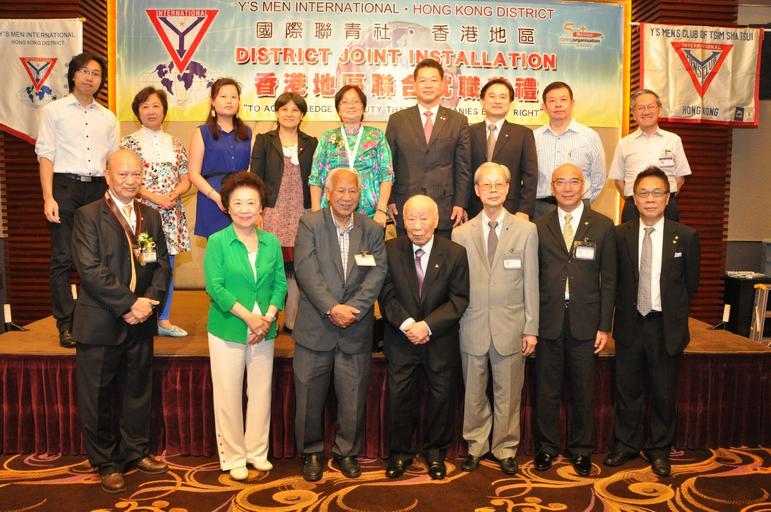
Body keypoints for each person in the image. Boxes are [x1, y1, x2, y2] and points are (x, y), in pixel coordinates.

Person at [71, 149, 170, 493]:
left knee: (137, 391)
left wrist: (147, 304)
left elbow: (161, 266)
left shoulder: (150, 216)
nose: (130, 181)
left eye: (136, 174)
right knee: (96, 397)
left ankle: (136, 451)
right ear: (108, 176)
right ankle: (106, 462)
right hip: (101, 321)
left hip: (141, 320)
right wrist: (129, 303)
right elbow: (90, 269)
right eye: (123, 174)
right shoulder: (88, 215)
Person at [604, 166, 700, 477]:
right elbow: (613, 281)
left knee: (664, 391)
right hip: (630, 323)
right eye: (643, 193)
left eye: (657, 192)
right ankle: (626, 444)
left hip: (665, 327)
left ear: (668, 198)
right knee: (627, 390)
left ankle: (659, 449)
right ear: (633, 199)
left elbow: (691, 284)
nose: (649, 198)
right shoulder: (619, 235)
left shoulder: (685, 236)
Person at [292, 168, 386, 482]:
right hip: (316, 327)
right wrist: (332, 308)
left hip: (355, 329)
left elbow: (377, 274)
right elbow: (306, 271)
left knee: (353, 398)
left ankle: (347, 452)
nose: (347, 197)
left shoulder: (371, 229)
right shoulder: (310, 224)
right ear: (329, 194)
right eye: (341, 191)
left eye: (352, 191)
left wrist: (353, 310)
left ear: (360, 194)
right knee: (309, 397)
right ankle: (311, 452)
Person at [451, 162, 538, 476]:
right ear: (476, 190)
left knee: (509, 393)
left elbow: (531, 282)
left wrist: (531, 328)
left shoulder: (527, 230)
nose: (492, 190)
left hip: (511, 326)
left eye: (498, 184)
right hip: (472, 324)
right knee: (473, 393)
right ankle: (475, 445)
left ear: (508, 188)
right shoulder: (460, 234)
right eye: (486, 185)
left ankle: (505, 448)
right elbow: (456, 285)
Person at [532, 163, 616, 476]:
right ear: (552, 188)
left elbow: (609, 279)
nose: (567, 188)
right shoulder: (539, 226)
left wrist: (605, 325)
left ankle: (581, 450)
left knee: (583, 390)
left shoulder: (603, 225)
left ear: (584, 185)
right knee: (547, 390)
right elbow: (532, 277)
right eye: (560, 182)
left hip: (586, 321)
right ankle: (546, 447)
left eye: (573, 182)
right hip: (548, 319)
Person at [204, 172, 287, 481]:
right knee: (228, 394)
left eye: (251, 203)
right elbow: (215, 287)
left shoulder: (271, 242)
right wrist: (249, 318)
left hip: (265, 327)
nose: (244, 209)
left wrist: (267, 317)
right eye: (237, 203)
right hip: (228, 327)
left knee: (261, 392)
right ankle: (234, 457)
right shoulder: (217, 241)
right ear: (227, 207)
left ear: (261, 207)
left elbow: (280, 284)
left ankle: (257, 452)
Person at [379, 195, 469, 480]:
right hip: (401, 338)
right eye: (411, 219)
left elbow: (459, 299)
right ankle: (400, 454)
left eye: (423, 218)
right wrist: (408, 325)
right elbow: (385, 295)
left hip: (439, 340)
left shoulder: (455, 253)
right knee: (400, 398)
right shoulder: (390, 250)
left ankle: (435, 454)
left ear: (436, 220)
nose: (417, 226)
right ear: (402, 221)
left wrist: (427, 326)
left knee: (441, 399)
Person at [35, 51, 119, 347]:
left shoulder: (108, 117)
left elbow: (113, 162)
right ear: (73, 75)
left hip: (98, 190)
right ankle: (66, 324)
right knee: (63, 257)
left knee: (97, 258)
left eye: (96, 73)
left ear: (101, 81)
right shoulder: (53, 111)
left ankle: (93, 320)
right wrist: (48, 197)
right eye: (84, 71)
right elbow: (45, 155)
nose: (89, 78)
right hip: (64, 188)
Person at [120, 87, 191, 337]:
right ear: (137, 112)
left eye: (156, 105)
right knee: (145, 264)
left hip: (171, 214)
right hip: (143, 214)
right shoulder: (128, 143)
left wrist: (175, 193)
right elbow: (126, 181)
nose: (150, 111)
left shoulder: (176, 143)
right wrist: (155, 198)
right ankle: (141, 316)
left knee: (167, 267)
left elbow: (186, 179)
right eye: (145, 106)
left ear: (164, 110)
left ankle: (164, 320)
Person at [251, 92, 318, 332]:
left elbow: (316, 179)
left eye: (295, 110)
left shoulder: (312, 143)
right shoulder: (264, 140)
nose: (289, 114)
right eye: (284, 109)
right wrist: (258, 211)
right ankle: (268, 319)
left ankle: (290, 321)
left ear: (302, 115)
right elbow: (255, 178)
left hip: (302, 211)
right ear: (277, 113)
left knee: (297, 269)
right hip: (272, 213)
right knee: (270, 267)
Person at [386, 58, 471, 237]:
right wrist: (390, 199)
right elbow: (388, 165)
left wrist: (460, 203)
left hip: (445, 207)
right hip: (404, 204)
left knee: (442, 253)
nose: (428, 85)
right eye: (422, 80)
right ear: (414, 85)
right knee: (405, 253)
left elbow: (463, 168)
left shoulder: (458, 121)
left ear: (442, 85)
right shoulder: (397, 120)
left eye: (433, 80)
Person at [309, 85, 393, 226]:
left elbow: (387, 175)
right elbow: (316, 178)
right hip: (330, 214)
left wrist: (381, 210)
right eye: (345, 102)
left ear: (363, 107)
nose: (350, 106)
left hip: (370, 214)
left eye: (355, 101)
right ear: (338, 109)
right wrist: (316, 213)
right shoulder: (327, 138)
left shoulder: (376, 136)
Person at [609, 89, 691, 223]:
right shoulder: (624, 143)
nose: (646, 112)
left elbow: (680, 178)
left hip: (667, 207)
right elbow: (618, 181)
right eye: (641, 108)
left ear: (659, 110)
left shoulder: (673, 140)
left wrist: (663, 198)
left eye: (651, 107)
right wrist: (637, 199)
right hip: (633, 207)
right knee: (629, 237)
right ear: (633, 114)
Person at [188, 78, 252, 238]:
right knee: (217, 248)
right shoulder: (202, 132)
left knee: (243, 247)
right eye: (223, 96)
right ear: (213, 101)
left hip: (241, 200)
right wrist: (217, 197)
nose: (229, 101)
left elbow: (252, 170)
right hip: (212, 198)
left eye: (234, 97)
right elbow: (193, 174)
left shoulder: (248, 133)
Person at [533, 81, 606, 218]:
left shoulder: (590, 137)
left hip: (579, 207)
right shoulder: (534, 137)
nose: (558, 105)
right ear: (544, 107)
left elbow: (599, 178)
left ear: (572, 104)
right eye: (552, 100)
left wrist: (584, 201)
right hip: (541, 208)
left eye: (563, 99)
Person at [468, 78, 537, 220]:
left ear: (511, 103)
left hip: (512, 208)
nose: (497, 101)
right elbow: (462, 172)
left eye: (503, 97)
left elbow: (530, 176)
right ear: (482, 101)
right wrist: (462, 206)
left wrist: (524, 210)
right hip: (474, 208)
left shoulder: (523, 134)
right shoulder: (468, 132)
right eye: (492, 96)